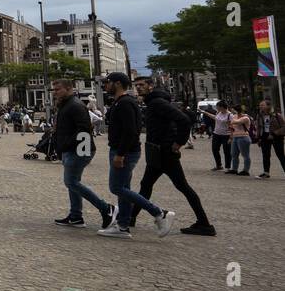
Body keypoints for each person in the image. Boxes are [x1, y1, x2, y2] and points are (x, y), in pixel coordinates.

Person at [98, 73, 176, 239]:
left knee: (116, 187)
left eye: (108, 83)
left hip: (124, 151)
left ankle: (159, 213)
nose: (105, 86)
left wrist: (120, 154)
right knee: (123, 189)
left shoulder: (125, 103)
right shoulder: (122, 102)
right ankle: (123, 226)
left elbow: (130, 131)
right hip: (124, 150)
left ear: (117, 84)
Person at [134, 76, 215, 236]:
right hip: (158, 151)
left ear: (151, 86)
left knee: (181, 186)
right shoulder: (153, 102)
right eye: (136, 85)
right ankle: (130, 218)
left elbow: (184, 120)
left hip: (165, 152)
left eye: (142, 85)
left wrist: (178, 143)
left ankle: (205, 224)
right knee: (146, 185)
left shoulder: (157, 103)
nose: (138, 88)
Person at [51, 79, 113, 228]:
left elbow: (85, 129)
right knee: (73, 183)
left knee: (71, 182)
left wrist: (69, 146)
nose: (55, 92)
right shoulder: (67, 105)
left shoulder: (75, 105)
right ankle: (76, 216)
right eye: (54, 90)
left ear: (68, 88)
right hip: (73, 149)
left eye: (58, 89)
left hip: (78, 149)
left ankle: (107, 209)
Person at [256, 99, 285, 178]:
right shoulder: (259, 115)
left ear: (268, 106)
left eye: (262, 105)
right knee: (265, 155)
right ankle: (266, 172)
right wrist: (258, 137)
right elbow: (258, 127)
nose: (260, 106)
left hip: (276, 137)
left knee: (280, 155)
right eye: (260, 105)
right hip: (264, 137)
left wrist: (274, 133)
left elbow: (283, 127)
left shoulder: (276, 115)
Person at [225, 104, 252, 176]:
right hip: (235, 137)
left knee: (245, 155)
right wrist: (231, 137)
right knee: (233, 154)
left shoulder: (245, 117)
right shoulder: (235, 116)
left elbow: (236, 122)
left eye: (233, 109)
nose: (231, 111)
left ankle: (246, 170)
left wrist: (230, 121)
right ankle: (234, 169)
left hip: (243, 137)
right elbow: (232, 127)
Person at [207, 100, 231, 171]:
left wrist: (231, 137)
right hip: (216, 134)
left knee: (226, 151)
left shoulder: (230, 115)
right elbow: (215, 117)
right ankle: (219, 165)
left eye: (217, 107)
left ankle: (228, 167)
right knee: (214, 149)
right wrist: (205, 113)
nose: (216, 108)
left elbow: (232, 126)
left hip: (226, 135)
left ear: (222, 107)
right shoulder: (218, 113)